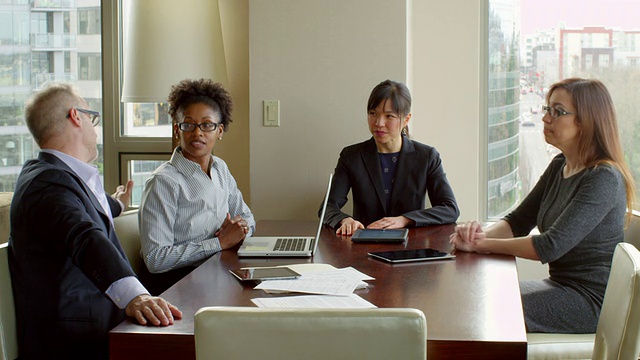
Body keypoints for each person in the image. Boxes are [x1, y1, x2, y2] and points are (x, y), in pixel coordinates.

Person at [8, 82, 182, 360]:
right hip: (76, 342)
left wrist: (117, 203)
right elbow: (84, 236)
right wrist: (136, 296)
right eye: (92, 117)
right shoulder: (46, 184)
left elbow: (82, 210)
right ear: (77, 116)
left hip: (97, 325)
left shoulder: (59, 177)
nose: (95, 128)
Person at [450, 78, 636, 334]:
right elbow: (518, 221)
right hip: (560, 286)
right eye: (548, 109)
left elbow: (550, 246)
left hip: (592, 301)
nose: (546, 119)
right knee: (472, 297)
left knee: (484, 309)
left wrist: (478, 245)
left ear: (586, 121)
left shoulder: (603, 178)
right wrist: (475, 238)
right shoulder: (560, 165)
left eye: (558, 112)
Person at [139, 78, 255, 295]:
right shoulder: (163, 182)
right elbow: (155, 260)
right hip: (179, 286)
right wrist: (219, 243)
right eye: (189, 125)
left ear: (219, 131)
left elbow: (247, 217)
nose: (197, 133)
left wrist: (240, 229)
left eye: (207, 125)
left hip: (217, 272)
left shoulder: (220, 168)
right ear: (177, 130)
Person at [322, 79, 459, 235]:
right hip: (364, 244)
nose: (379, 123)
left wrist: (404, 219)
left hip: (410, 245)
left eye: (389, 116)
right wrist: (345, 220)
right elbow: (328, 206)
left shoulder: (427, 157)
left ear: (406, 119)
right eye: (373, 114)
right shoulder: (351, 156)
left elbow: (450, 208)